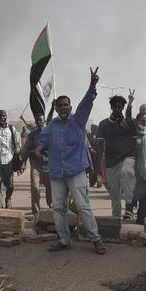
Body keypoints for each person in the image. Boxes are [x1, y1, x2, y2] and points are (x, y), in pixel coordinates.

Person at [35, 67, 106, 254]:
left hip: (76, 170)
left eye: (66, 105)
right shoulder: (52, 125)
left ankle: (96, 239)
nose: (63, 107)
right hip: (57, 172)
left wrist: (92, 86)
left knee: (83, 206)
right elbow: (43, 138)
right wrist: (39, 146)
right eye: (60, 105)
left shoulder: (78, 121)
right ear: (56, 108)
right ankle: (64, 240)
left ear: (70, 107)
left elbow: (85, 104)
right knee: (58, 207)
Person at [98, 95, 137, 219]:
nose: (118, 110)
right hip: (111, 161)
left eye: (121, 107)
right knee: (114, 193)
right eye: (116, 107)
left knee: (127, 173)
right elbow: (99, 146)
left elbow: (136, 142)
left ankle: (130, 207)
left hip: (127, 157)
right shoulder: (103, 124)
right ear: (111, 107)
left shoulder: (129, 123)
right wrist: (100, 167)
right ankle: (116, 217)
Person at [20, 111, 54, 216]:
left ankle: (51, 205)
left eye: (41, 120)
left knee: (50, 187)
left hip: (48, 164)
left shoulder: (50, 133)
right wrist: (23, 163)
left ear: (44, 121)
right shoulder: (32, 135)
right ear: (36, 121)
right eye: (37, 120)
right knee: (35, 187)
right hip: (35, 164)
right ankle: (36, 210)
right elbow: (26, 149)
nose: (39, 121)